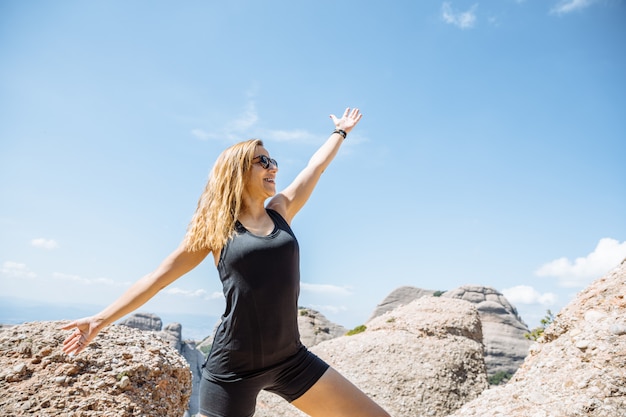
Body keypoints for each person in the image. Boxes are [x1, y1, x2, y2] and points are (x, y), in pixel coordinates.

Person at [61, 107, 391, 417]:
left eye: (272, 159)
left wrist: (340, 132)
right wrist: (99, 320)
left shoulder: (281, 210)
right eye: (263, 161)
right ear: (238, 171)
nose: (273, 166)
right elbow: (157, 278)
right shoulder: (216, 231)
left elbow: (315, 167)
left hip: (291, 359)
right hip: (234, 368)